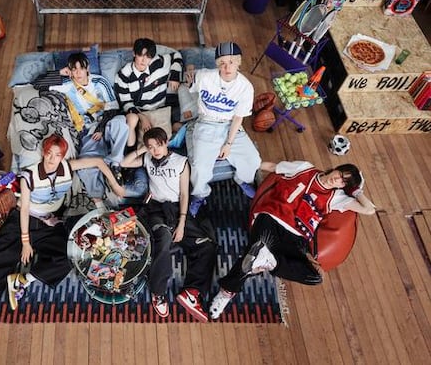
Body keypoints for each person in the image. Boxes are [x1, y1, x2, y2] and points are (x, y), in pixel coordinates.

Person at [0, 134, 125, 332]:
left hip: (49, 223)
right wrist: (25, 242)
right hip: (21, 221)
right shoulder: (29, 176)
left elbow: (98, 162)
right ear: (43, 153)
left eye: (57, 155)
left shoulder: (68, 167)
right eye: (49, 153)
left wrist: (116, 186)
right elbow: (24, 209)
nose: (52, 159)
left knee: (71, 254)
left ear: (62, 157)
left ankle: (23, 279)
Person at [208, 160, 376, 320]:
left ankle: (269, 261)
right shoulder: (305, 168)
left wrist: (356, 191)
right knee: (253, 254)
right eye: (340, 174)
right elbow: (273, 167)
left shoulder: (336, 197)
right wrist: (245, 162)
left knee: (315, 277)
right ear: (336, 169)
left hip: (297, 238)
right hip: (272, 218)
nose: (337, 180)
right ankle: (227, 292)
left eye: (343, 182)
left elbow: (369, 210)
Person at [121, 127, 217, 322]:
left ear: (166, 143)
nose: (155, 150)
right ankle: (158, 293)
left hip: (177, 209)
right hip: (156, 209)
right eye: (151, 147)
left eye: (158, 145)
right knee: (163, 240)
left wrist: (181, 223)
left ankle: (192, 291)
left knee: (207, 246)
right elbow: (124, 162)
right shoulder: (148, 158)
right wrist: (144, 149)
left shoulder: (180, 162)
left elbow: (184, 194)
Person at [185, 41, 261, 217]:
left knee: (253, 160)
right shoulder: (204, 77)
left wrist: (228, 144)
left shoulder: (245, 87)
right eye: (222, 62)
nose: (227, 67)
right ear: (217, 64)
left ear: (238, 62)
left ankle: (241, 180)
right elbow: (190, 82)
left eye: (231, 62)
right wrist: (188, 75)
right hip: (207, 123)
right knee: (200, 167)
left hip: (230, 125)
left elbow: (238, 118)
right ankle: (200, 195)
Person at [50, 52, 130, 210]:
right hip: (87, 130)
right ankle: (100, 202)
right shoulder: (67, 84)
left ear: (87, 68)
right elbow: (38, 83)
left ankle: (115, 164)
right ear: (70, 71)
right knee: (85, 166)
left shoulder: (100, 82)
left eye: (81, 68)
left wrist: (101, 128)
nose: (78, 73)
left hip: (107, 123)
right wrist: (60, 73)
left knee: (121, 122)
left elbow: (114, 107)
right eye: (74, 69)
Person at [114, 38, 183, 150]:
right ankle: (132, 153)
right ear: (134, 53)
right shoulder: (123, 75)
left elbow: (177, 56)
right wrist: (142, 117)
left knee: (165, 141)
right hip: (140, 113)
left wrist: (175, 75)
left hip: (161, 111)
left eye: (148, 57)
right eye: (141, 55)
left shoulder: (158, 63)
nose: (144, 61)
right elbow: (126, 104)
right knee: (146, 143)